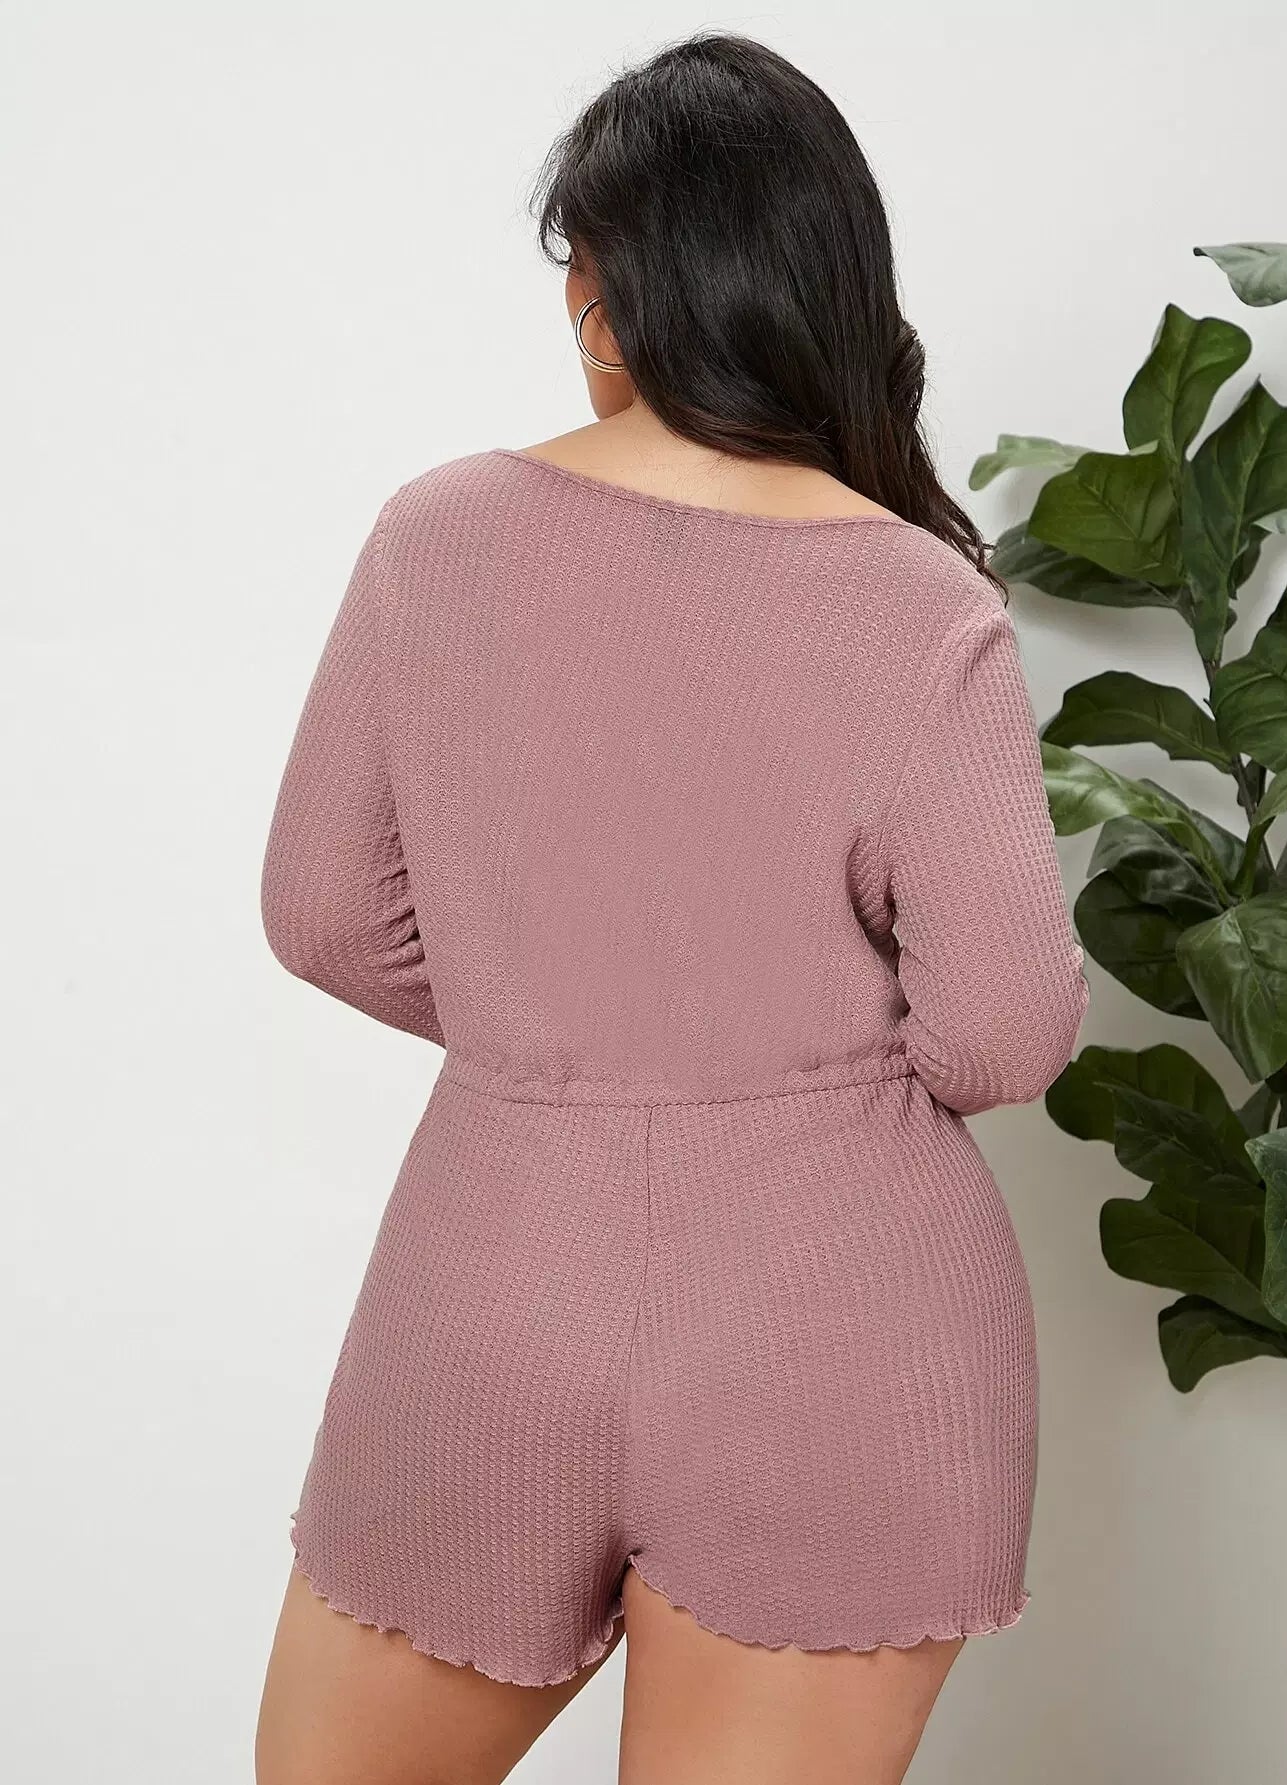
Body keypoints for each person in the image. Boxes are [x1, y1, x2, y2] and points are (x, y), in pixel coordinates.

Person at [252, 30, 1088, 1785]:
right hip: (843, 1321)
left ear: (608, 294)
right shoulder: (920, 599)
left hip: (489, 1279)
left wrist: (551, 1020)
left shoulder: (436, 538)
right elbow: (1007, 1034)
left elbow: (324, 912)